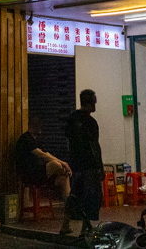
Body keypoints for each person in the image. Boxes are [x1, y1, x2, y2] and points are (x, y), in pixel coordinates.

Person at [15, 116, 73, 234]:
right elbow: (43, 155)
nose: (41, 128)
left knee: (63, 178)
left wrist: (63, 165)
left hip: (41, 173)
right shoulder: (26, 139)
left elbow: (47, 153)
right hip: (31, 173)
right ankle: (65, 171)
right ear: (33, 126)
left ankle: (70, 206)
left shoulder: (37, 140)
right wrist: (63, 164)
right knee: (56, 165)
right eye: (38, 126)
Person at [65, 89, 104, 234]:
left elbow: (69, 138)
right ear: (89, 103)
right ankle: (84, 229)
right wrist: (99, 166)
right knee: (89, 198)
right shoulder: (91, 122)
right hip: (89, 164)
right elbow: (95, 145)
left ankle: (65, 224)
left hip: (76, 163)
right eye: (94, 102)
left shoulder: (71, 118)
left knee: (74, 195)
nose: (95, 105)